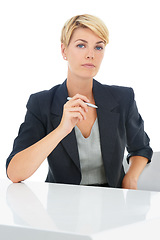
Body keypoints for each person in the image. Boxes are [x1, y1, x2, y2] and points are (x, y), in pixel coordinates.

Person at [6, 14, 153, 189]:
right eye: (81, 45)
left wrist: (131, 177)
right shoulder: (41, 103)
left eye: (98, 48)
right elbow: (14, 173)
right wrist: (62, 129)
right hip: (62, 203)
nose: (90, 55)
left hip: (114, 200)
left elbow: (141, 148)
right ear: (64, 51)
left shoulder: (122, 98)